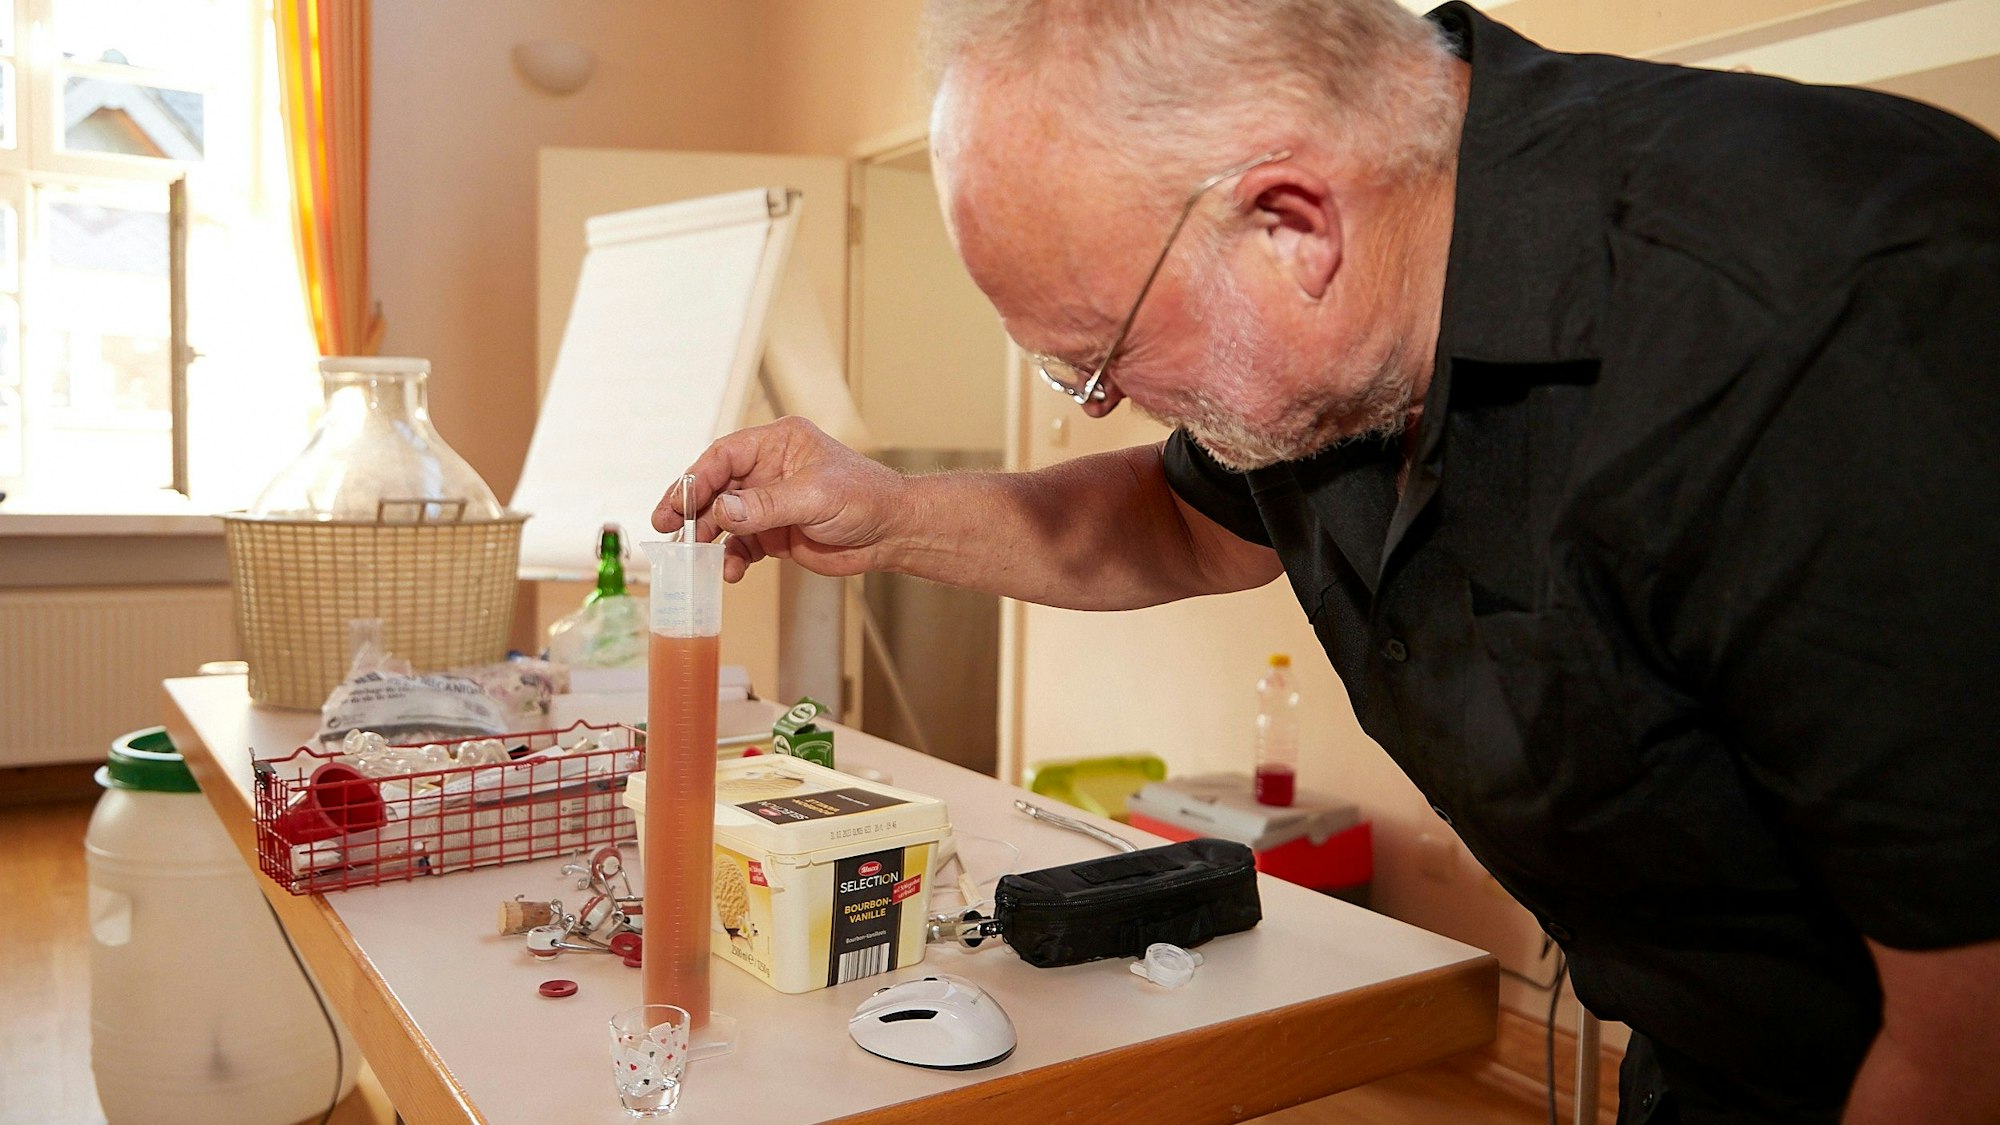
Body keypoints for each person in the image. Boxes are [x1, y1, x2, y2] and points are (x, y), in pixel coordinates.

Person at [655, 2, 2000, 1121]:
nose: (1095, 401)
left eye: (1097, 352)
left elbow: (1966, 1036)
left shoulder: (1826, 320)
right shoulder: (1347, 327)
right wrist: (885, 513)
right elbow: (1185, 522)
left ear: (1292, 225)